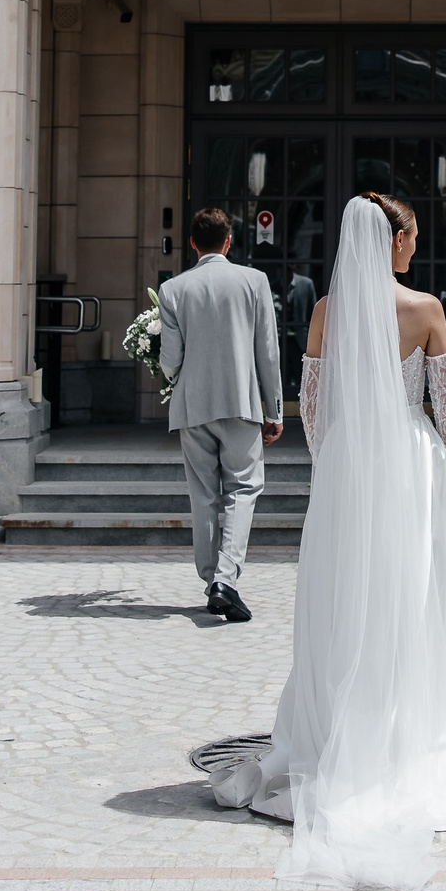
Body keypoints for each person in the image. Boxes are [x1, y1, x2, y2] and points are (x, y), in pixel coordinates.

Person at [209, 192, 446, 890]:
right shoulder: (425, 308)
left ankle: (338, 730)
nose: (414, 245)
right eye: (410, 235)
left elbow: (313, 401)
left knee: (345, 596)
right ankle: (409, 736)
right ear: (394, 239)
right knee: (414, 597)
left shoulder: (327, 310)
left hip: (349, 463)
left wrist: (334, 466)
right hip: (412, 463)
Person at [155, 205, 284, 623]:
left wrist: (171, 375)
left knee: (204, 494)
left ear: (192, 242)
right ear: (229, 241)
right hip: (241, 401)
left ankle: (213, 579)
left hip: (192, 405)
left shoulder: (173, 289)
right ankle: (225, 580)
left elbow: (170, 359)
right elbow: (268, 352)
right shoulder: (254, 281)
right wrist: (274, 409)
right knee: (244, 488)